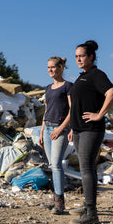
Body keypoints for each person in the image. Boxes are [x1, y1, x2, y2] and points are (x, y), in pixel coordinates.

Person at [68, 40, 113, 224]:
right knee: (84, 168)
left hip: (91, 129)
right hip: (80, 129)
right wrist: (73, 128)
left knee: (87, 168)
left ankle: (92, 213)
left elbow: (112, 93)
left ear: (91, 56)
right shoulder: (81, 77)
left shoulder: (97, 75)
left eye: (82, 56)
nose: (79, 59)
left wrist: (100, 114)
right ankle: (87, 205)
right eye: (76, 57)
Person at [38, 56, 72, 214]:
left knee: (57, 165)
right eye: (48, 67)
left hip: (60, 129)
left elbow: (72, 111)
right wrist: (41, 131)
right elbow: (46, 111)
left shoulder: (68, 86)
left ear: (61, 68)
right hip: (47, 129)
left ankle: (60, 201)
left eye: (53, 67)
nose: (50, 70)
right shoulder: (47, 88)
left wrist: (61, 129)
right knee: (52, 165)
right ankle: (54, 197)